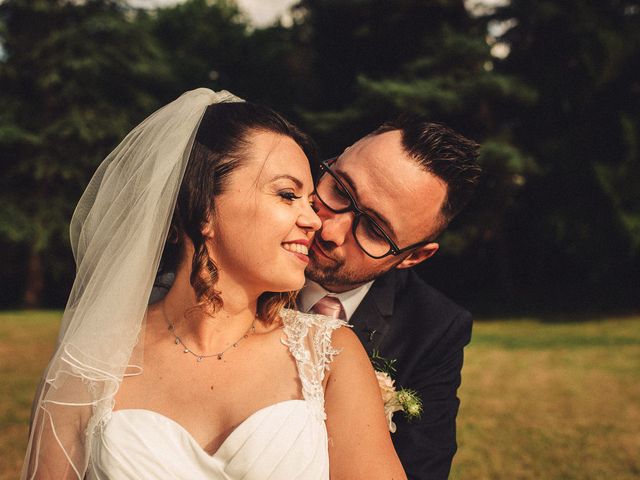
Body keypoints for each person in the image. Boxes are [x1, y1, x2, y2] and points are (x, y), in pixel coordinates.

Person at [22, 89, 406, 480]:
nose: (314, 221)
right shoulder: (90, 363)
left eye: (309, 201)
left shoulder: (330, 354)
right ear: (204, 206)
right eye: (288, 194)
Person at [298, 116, 482, 479]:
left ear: (413, 256)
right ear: (332, 161)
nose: (329, 230)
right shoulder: (237, 253)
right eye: (339, 189)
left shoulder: (435, 328)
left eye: (374, 229)